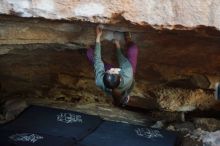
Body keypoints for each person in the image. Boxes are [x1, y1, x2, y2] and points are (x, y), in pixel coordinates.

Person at [86, 25, 138, 106]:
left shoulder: (100, 81)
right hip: (127, 71)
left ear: (105, 75)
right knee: (133, 49)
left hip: (116, 75)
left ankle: (89, 48)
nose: (113, 68)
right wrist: (117, 46)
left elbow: (97, 60)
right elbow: (121, 59)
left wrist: (98, 37)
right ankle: (128, 40)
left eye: (109, 71)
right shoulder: (128, 74)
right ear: (120, 78)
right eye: (113, 70)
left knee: (89, 54)